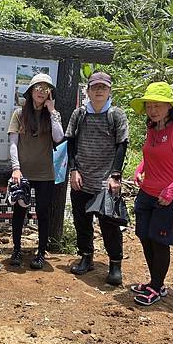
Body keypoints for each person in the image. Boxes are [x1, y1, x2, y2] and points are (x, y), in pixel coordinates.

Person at [130, 82, 173, 306]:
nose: (153, 109)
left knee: (159, 242)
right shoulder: (152, 127)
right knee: (145, 236)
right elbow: (149, 155)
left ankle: (157, 287)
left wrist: (171, 189)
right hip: (146, 193)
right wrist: (139, 170)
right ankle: (154, 282)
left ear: (170, 106)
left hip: (170, 197)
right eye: (150, 105)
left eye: (158, 105)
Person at [65, 72, 129, 285]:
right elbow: (71, 142)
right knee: (81, 221)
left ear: (110, 90)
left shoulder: (116, 115)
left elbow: (122, 145)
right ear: (88, 90)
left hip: (106, 180)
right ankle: (86, 257)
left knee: (109, 223)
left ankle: (115, 264)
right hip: (81, 178)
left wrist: (115, 175)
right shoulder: (79, 114)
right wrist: (73, 170)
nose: (99, 91)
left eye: (103, 87)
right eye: (95, 87)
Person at [7, 73, 64, 269]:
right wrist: (16, 169)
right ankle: (16, 249)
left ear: (50, 94)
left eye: (45, 88)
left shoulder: (52, 115)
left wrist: (52, 110)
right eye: (37, 87)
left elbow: (58, 138)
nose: (41, 91)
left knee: (43, 212)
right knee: (19, 211)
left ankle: (41, 252)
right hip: (22, 173)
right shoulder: (19, 114)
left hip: (45, 174)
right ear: (30, 91)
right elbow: (13, 143)